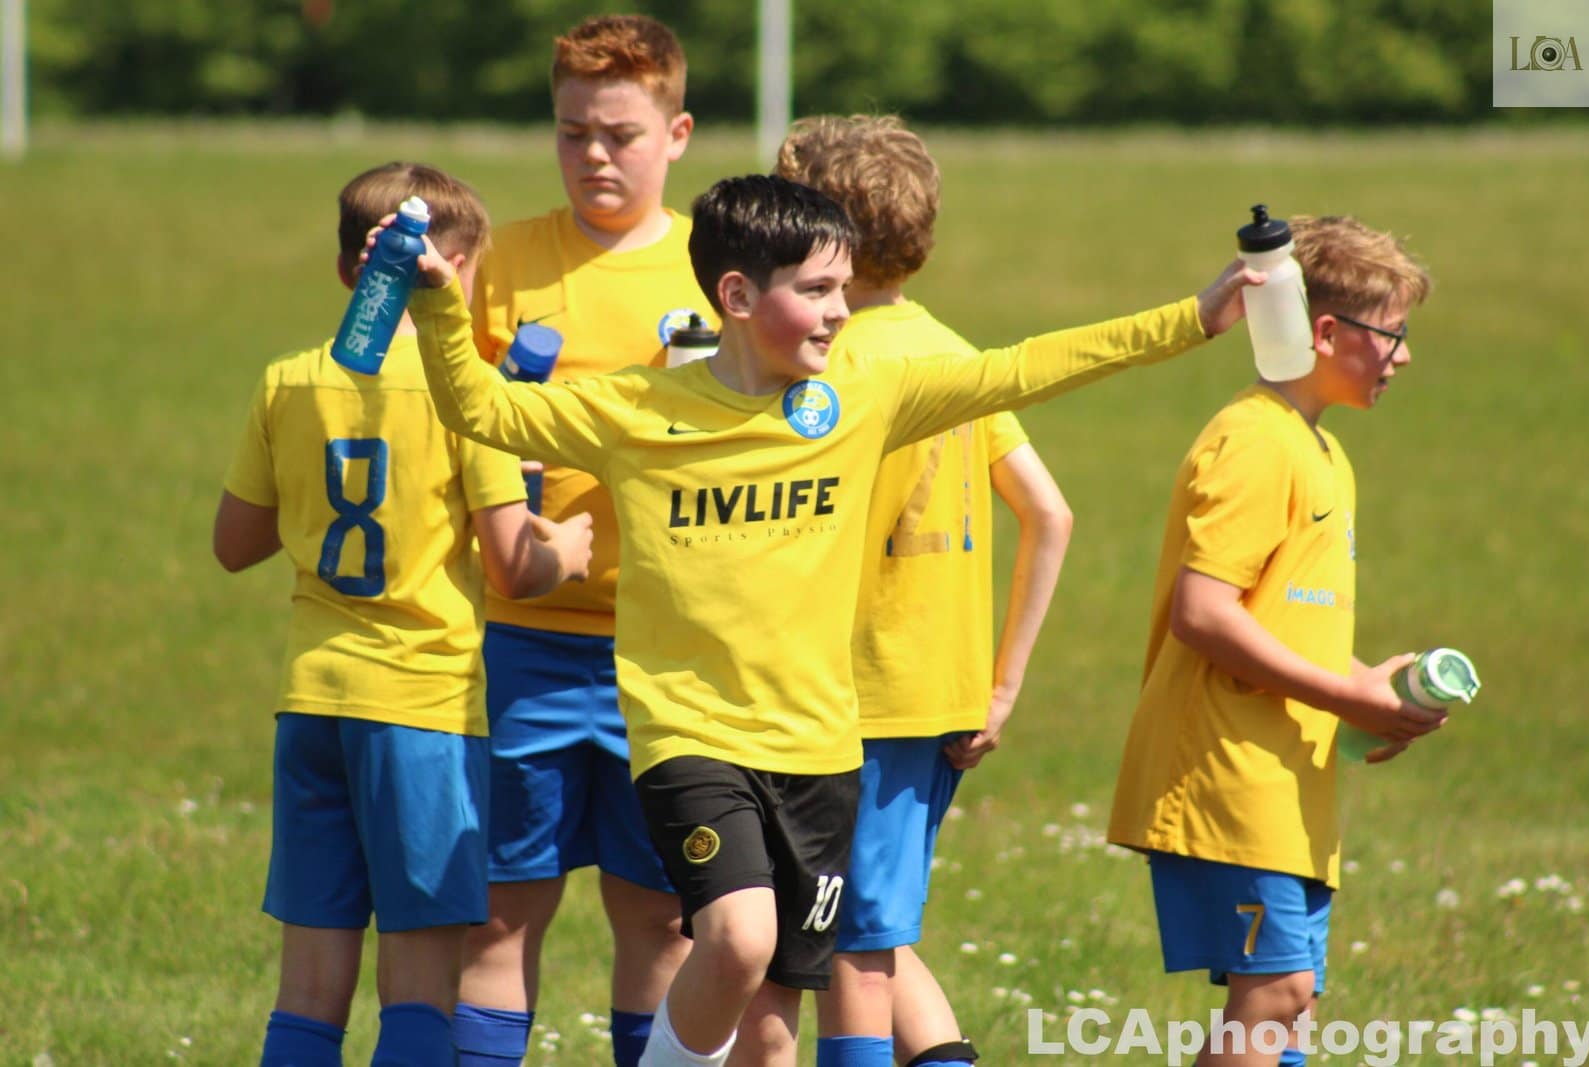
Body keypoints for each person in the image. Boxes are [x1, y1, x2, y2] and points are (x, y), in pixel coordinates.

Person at [396, 172, 1255, 1067]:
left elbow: (1027, 365)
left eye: (843, 287)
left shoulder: (861, 399)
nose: (841, 310)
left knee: (771, 1030)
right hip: (692, 736)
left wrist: (1191, 319)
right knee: (738, 936)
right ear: (737, 296)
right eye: (815, 289)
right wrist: (442, 307)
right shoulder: (639, 410)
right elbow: (481, 408)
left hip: (819, 752)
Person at [213, 160, 593, 1067]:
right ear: (452, 274)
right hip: (423, 709)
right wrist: (568, 551)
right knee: (420, 989)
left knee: (307, 990)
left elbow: (235, 542)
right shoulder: (472, 396)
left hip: (314, 703)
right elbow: (513, 567)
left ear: (349, 268)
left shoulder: (288, 381)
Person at [1105, 215, 1444, 1067]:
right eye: (1391, 333)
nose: (1403, 356)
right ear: (1325, 331)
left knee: (1295, 1009)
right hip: (1226, 772)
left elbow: (1281, 618)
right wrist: (1343, 691)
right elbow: (1203, 612)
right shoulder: (1254, 441)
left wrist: (1373, 696)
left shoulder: (1321, 451)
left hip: (1290, 783)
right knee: (1277, 993)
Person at [770, 114, 1071, 1067]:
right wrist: (1002, 685)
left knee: (847, 946)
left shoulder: (829, 364)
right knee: (874, 922)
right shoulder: (956, 351)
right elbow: (1050, 513)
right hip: (940, 691)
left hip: (846, 691)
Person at [454, 16, 712, 1066]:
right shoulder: (505, 259)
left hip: (669, 650)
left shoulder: (714, 266)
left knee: (659, 916)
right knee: (502, 911)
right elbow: (459, 418)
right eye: (572, 134)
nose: (594, 156)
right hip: (527, 638)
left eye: (620, 134)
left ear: (678, 133)